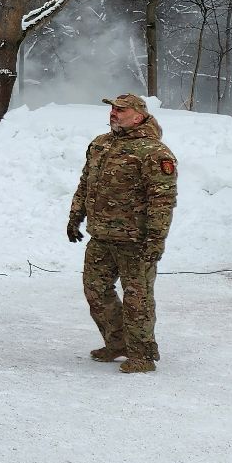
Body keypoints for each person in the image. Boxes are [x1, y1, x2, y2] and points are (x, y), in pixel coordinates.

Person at [67, 94, 177, 374]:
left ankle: (142, 355)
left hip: (135, 240)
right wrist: (75, 217)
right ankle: (117, 342)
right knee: (95, 290)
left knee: (137, 297)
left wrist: (155, 240)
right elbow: (85, 183)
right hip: (101, 236)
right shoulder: (101, 145)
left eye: (120, 110)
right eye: (112, 109)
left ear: (138, 116)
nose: (113, 113)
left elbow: (162, 200)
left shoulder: (154, 152)